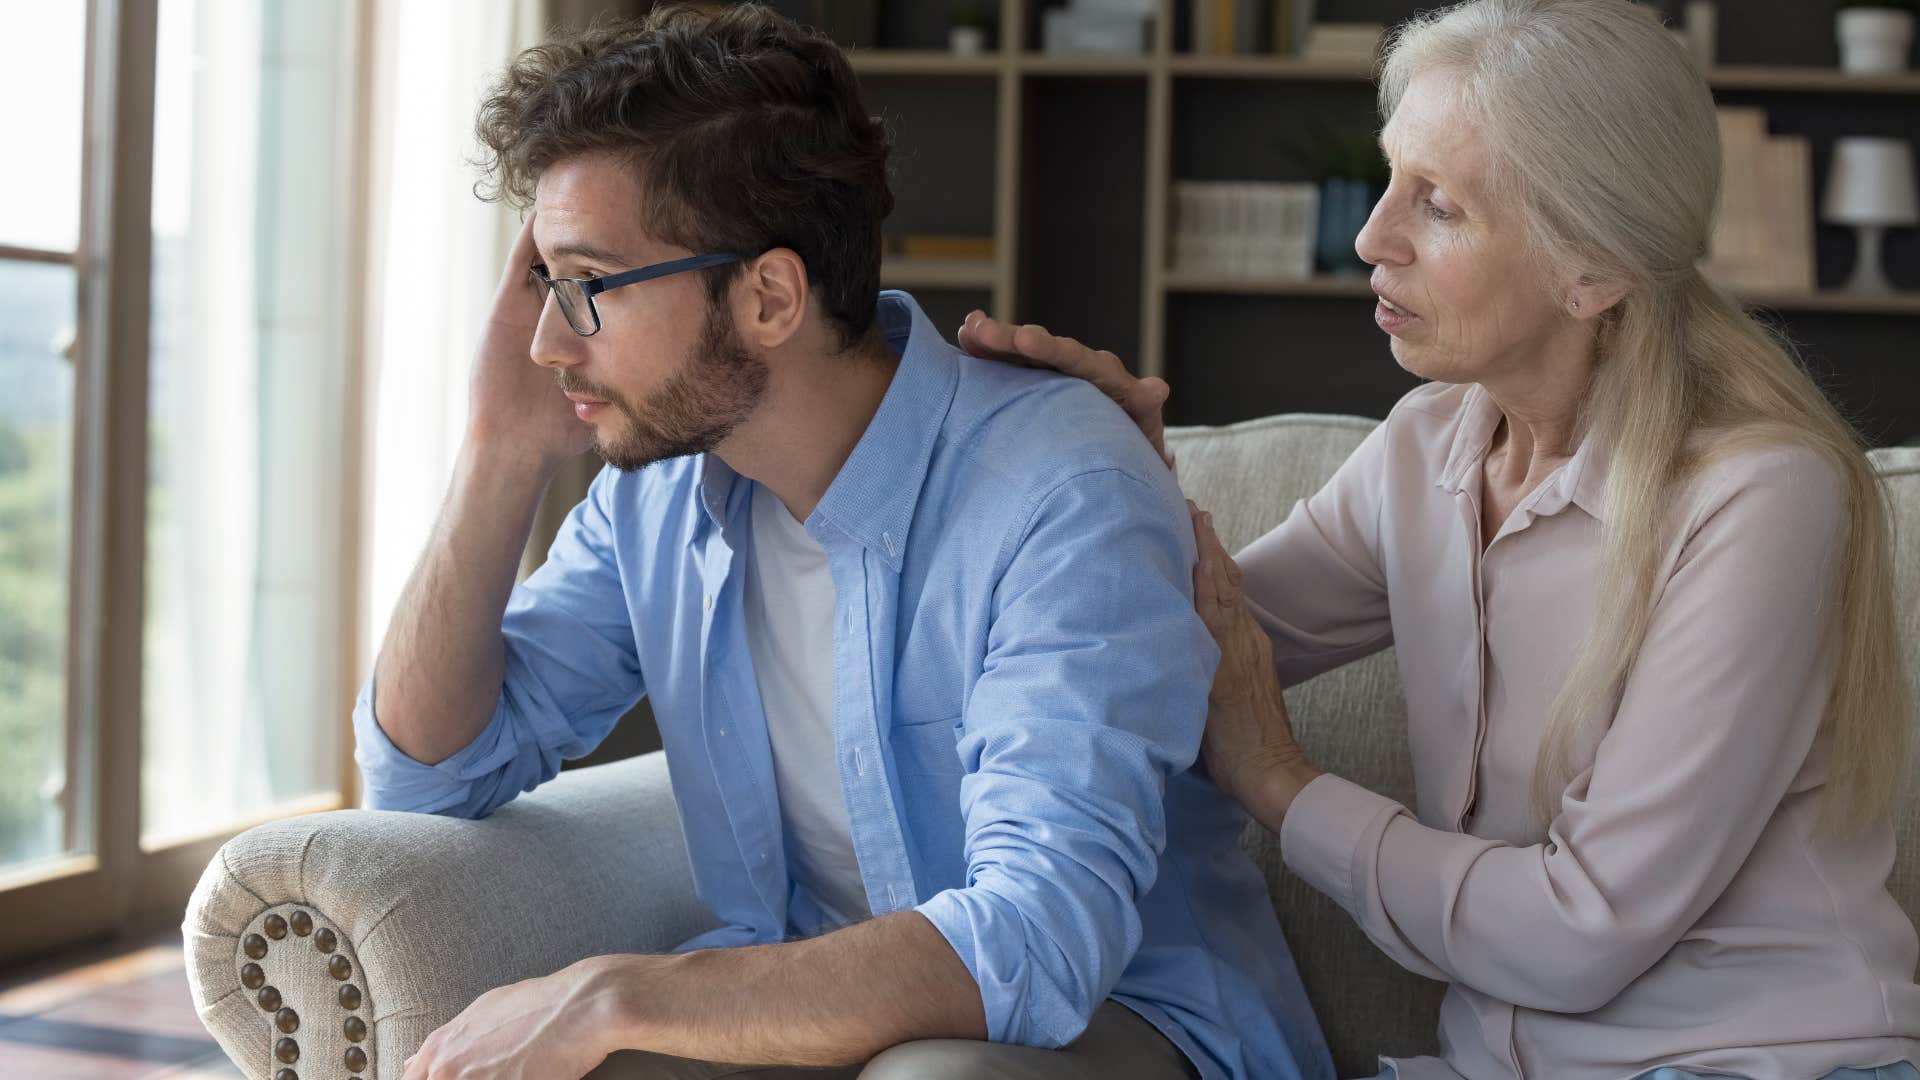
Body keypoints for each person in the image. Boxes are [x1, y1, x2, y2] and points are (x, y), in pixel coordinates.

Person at [355, 5, 1332, 1079]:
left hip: (1124, 1023)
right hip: (813, 1005)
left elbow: (1038, 946)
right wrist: (499, 452)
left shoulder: (1064, 492)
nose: (547, 342)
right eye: (546, 285)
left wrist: (616, 989)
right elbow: (428, 778)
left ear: (769, 296)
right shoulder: (664, 499)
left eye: (585, 287)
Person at [956, 1, 1920, 1077]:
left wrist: (1280, 782)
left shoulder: (1761, 499)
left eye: (1441, 206)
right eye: (1388, 180)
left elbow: (1579, 933)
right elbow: (1178, 645)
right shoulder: (1427, 451)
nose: (1373, 238)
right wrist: (1117, 477)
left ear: (1590, 272)